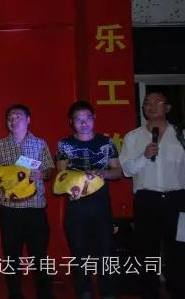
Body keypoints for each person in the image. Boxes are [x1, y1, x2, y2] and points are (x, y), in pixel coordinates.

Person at [119, 91, 185, 299]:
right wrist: (144, 156)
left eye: (157, 102)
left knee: (178, 250)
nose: (151, 106)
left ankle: (178, 291)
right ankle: (150, 292)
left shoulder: (181, 134)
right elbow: (126, 170)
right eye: (147, 103)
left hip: (177, 199)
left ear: (168, 108)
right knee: (147, 252)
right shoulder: (133, 137)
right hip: (147, 200)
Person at [56, 100, 121, 299]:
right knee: (79, 251)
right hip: (76, 204)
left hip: (100, 204)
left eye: (87, 118)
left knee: (106, 251)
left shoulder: (106, 143)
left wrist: (104, 173)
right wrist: (75, 181)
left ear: (94, 118)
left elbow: (117, 171)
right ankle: (84, 291)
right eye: (78, 119)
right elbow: (61, 175)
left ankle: (108, 292)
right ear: (71, 122)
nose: (83, 123)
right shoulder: (64, 144)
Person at [0, 104, 54, 299]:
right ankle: (14, 294)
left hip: (35, 209)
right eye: (10, 117)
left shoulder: (40, 143)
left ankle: (45, 294)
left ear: (28, 120)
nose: (13, 120)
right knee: (11, 256)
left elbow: (50, 170)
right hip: (10, 210)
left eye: (18, 116)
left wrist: (42, 174)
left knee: (40, 255)